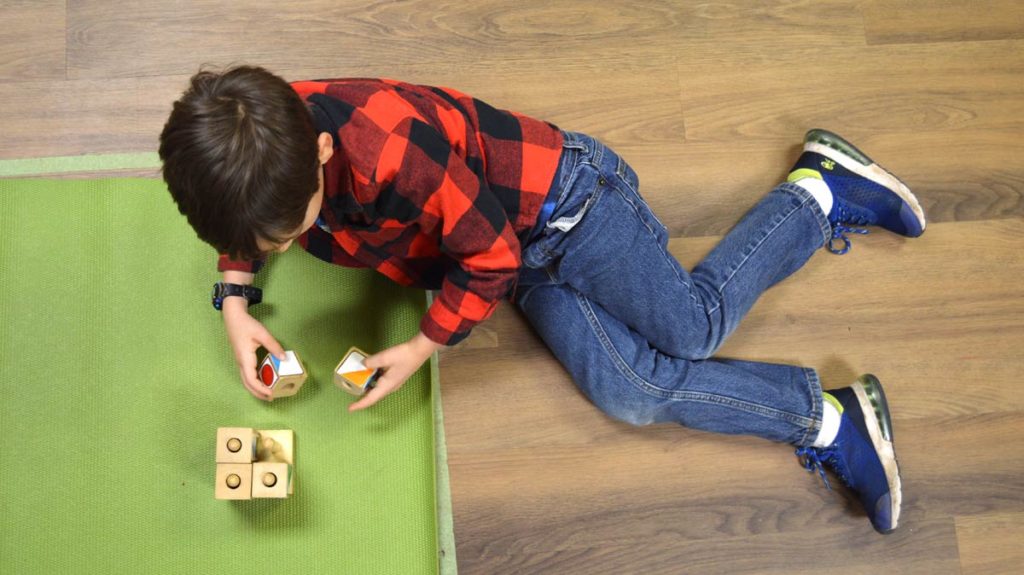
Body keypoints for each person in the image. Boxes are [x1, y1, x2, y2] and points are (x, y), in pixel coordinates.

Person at [159, 66, 925, 533]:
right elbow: (246, 220)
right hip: (503, 249)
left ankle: (818, 189)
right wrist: (235, 296)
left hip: (564, 209)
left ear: (322, 153)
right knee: (632, 392)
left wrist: (425, 343)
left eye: (287, 235)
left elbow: (489, 255)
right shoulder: (263, 135)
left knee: (691, 329)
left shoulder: (391, 149)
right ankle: (830, 414)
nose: (282, 250)